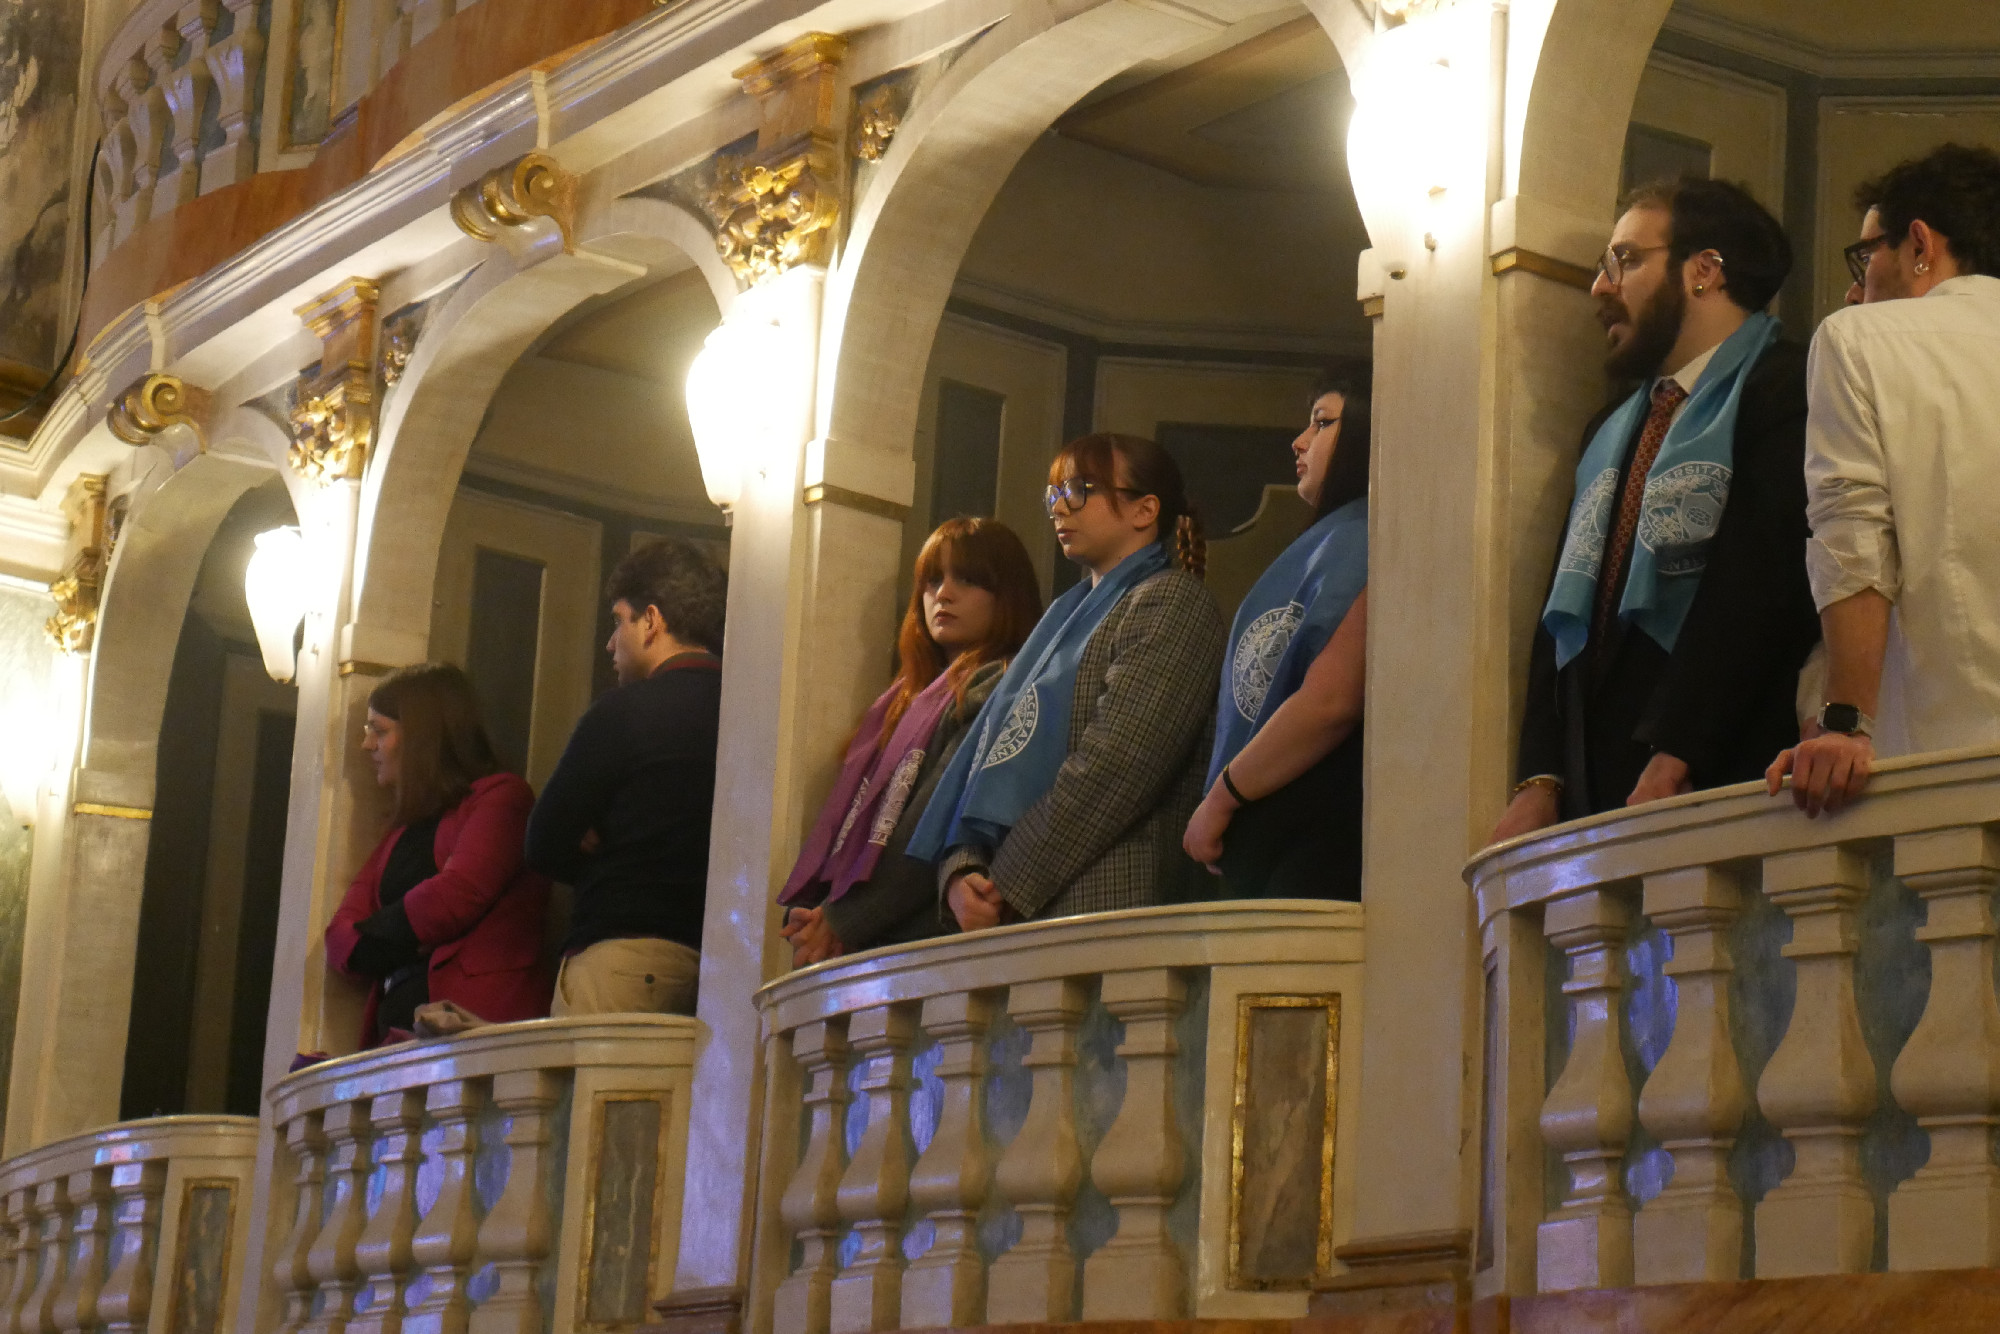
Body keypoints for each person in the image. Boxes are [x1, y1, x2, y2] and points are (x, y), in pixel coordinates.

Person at [1490, 176, 1820, 843]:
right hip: (1598, 793)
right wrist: (1540, 779)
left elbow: (1759, 587)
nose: (1600, 287)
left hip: (1719, 781)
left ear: (1704, 270)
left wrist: (1679, 750)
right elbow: (1564, 607)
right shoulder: (1613, 427)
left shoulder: (1790, 386)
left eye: (1626, 260)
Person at [1768, 144, 2000, 816]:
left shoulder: (1860, 339)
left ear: (1920, 244)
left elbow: (1854, 542)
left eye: (1866, 256)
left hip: (1951, 771)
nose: (1855, 288)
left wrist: (1844, 725)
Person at [911, 434, 1226, 928]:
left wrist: (1004, 883)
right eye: (1054, 494)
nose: (1059, 508)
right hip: (1027, 912)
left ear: (1144, 510)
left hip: (1107, 907)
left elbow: (1117, 766)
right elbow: (988, 755)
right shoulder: (1060, 621)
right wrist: (963, 870)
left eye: (1080, 490)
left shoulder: (1172, 601)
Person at [778, 518, 1042, 965]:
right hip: (877, 943)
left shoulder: (1000, 684)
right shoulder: (901, 700)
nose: (944, 594)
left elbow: (932, 818)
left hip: (928, 943)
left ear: (1008, 595)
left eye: (968, 579)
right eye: (933, 580)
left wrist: (842, 920)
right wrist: (820, 911)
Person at [1184, 379, 1370, 899]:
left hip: (1317, 830)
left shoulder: (1370, 534)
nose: (1299, 440)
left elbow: (1331, 701)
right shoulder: (1329, 538)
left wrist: (1222, 798)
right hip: (1275, 830)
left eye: (1322, 422)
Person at [524, 538, 725, 1015]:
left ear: (651, 621)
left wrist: (608, 851)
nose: (611, 643)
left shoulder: (622, 713)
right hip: (720, 965)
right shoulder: (746, 710)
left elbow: (543, 842)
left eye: (619, 621)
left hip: (620, 959)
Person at [326, 664, 551, 1049]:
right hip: (398, 1041)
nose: (366, 745)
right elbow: (339, 937)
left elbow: (455, 896)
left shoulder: (502, 798)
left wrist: (381, 938)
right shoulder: (401, 832)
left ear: (422, 736)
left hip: (475, 1036)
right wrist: (410, 940)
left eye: (379, 730)